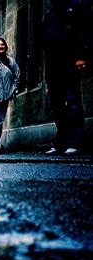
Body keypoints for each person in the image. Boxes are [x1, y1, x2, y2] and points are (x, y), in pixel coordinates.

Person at [42, 0, 92, 155]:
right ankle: (61, 141)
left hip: (69, 61)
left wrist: (81, 57)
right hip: (52, 64)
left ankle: (76, 141)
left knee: (72, 101)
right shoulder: (50, 14)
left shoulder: (76, 7)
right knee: (56, 103)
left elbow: (83, 32)